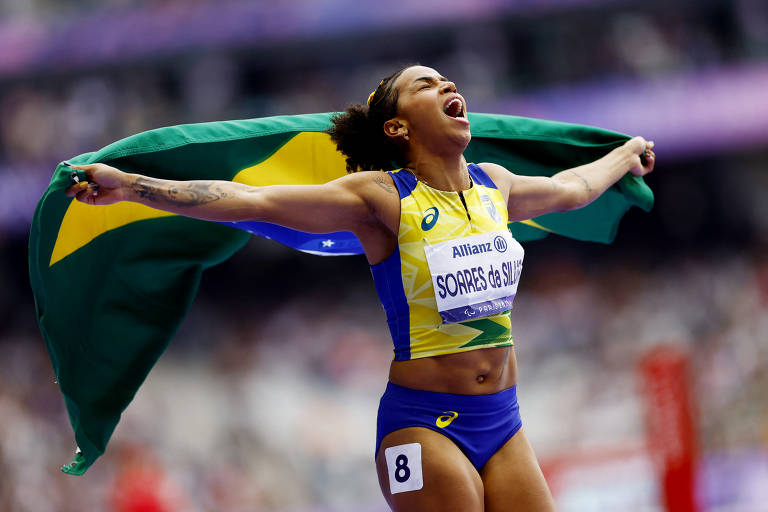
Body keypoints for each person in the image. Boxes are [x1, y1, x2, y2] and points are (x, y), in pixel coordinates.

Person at [66, 64, 655, 512]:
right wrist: (133, 186)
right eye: (428, 85)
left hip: (504, 419)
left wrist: (624, 155)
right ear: (398, 126)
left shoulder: (493, 186)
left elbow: (573, 187)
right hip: (424, 426)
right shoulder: (380, 197)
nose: (450, 84)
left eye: (449, 79)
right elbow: (256, 199)